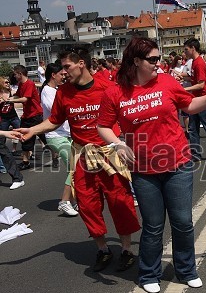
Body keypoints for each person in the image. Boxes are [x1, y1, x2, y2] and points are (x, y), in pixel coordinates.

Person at [97, 37, 206, 293]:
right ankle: (149, 273)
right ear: (136, 61)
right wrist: (117, 144)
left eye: (158, 58)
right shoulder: (115, 92)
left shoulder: (167, 82)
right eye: (152, 60)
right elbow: (103, 125)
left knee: (182, 222)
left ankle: (186, 270)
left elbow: (190, 106)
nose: (158, 64)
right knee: (153, 225)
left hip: (177, 165)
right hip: (144, 170)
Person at [16, 47, 141, 272]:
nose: (64, 72)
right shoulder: (64, 93)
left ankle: (126, 250)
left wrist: (129, 143)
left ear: (81, 63)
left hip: (108, 154)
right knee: (87, 205)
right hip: (82, 156)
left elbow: (128, 112)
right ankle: (103, 249)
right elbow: (54, 120)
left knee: (120, 203)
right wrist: (32, 130)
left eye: (67, 67)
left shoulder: (108, 87)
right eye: (62, 68)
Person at [40, 62, 78, 216]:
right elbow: (57, 111)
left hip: (65, 135)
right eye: (61, 74)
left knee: (75, 168)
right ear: (53, 75)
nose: (64, 76)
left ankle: (74, 201)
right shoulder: (47, 92)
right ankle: (64, 201)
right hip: (55, 137)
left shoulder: (56, 90)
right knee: (75, 167)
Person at [8, 65, 46, 170]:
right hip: (27, 116)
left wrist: (10, 100)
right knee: (24, 138)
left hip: (35, 115)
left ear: (20, 74)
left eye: (15, 74)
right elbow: (17, 95)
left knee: (43, 137)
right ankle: (26, 162)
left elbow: (24, 99)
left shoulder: (29, 84)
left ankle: (55, 155)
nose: (14, 76)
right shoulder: (21, 84)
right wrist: (6, 98)